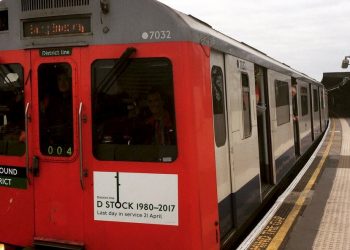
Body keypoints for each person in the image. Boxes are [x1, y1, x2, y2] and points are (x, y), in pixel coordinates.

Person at [40, 67, 73, 150]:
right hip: (53, 142)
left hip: (72, 141)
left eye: (66, 79)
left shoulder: (76, 99)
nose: (62, 83)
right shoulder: (50, 100)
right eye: (59, 80)